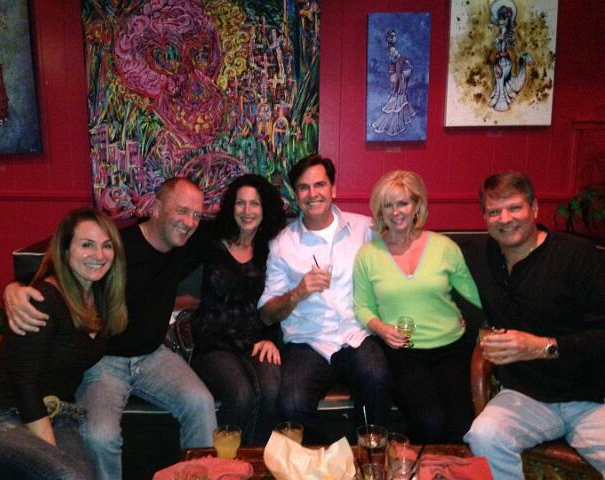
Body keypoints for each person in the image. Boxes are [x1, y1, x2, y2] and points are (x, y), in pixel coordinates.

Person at [3, 178, 217, 480]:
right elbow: (53, 271)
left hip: (153, 355)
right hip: (103, 361)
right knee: (100, 436)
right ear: (156, 208)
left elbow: (240, 226)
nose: (190, 222)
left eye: (196, 215)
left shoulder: (186, 241)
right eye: (182, 211)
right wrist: (13, 290)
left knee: (201, 404)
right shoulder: (115, 247)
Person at [0, 208, 127, 479]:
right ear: (64, 251)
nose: (99, 255)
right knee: (67, 476)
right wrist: (51, 457)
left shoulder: (101, 297)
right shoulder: (43, 300)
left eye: (107, 245)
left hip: (55, 411)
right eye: (87, 244)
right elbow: (24, 383)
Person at [463, 172, 605, 479]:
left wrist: (542, 347)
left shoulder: (576, 256)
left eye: (515, 207)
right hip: (523, 395)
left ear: (535, 208)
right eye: (494, 211)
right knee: (484, 435)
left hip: (589, 398)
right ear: (484, 217)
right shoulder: (480, 255)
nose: (505, 219)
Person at [258, 154, 391, 443]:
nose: (312, 193)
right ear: (296, 195)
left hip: (356, 335)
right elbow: (266, 314)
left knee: (377, 378)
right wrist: (298, 293)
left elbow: (400, 247)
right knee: (290, 404)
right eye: (303, 187)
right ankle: (332, 455)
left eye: (319, 184)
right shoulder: (282, 245)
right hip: (307, 341)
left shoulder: (364, 230)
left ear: (333, 189)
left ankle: (370, 454)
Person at [353, 170, 482, 443]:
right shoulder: (368, 255)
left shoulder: (444, 248)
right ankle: (406, 457)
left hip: (451, 348)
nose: (396, 212)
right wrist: (382, 329)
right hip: (403, 353)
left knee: (461, 428)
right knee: (429, 422)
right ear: (380, 211)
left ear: (417, 206)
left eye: (403, 203)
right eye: (388, 205)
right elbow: (362, 307)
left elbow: (475, 297)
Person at [192, 174, 286, 445]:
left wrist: (271, 338)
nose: (247, 211)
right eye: (240, 203)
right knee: (241, 394)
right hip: (212, 345)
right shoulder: (209, 241)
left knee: (270, 389)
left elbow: (276, 299)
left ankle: (255, 460)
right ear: (231, 207)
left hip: (255, 342)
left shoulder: (271, 250)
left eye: (254, 204)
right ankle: (223, 461)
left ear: (265, 209)